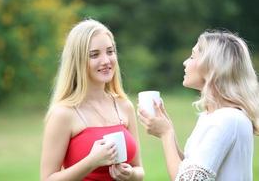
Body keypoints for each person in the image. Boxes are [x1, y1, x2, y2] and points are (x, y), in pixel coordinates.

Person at [138, 30, 259, 181]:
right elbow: (189, 169)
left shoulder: (228, 119)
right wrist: (168, 129)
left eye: (192, 56)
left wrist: (166, 134)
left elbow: (186, 179)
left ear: (211, 67)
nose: (185, 62)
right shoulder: (212, 117)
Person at [40, 19, 144, 181]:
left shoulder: (124, 106)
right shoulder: (63, 114)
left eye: (110, 52)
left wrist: (130, 175)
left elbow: (139, 170)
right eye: (94, 55)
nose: (106, 61)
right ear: (78, 61)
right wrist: (91, 162)